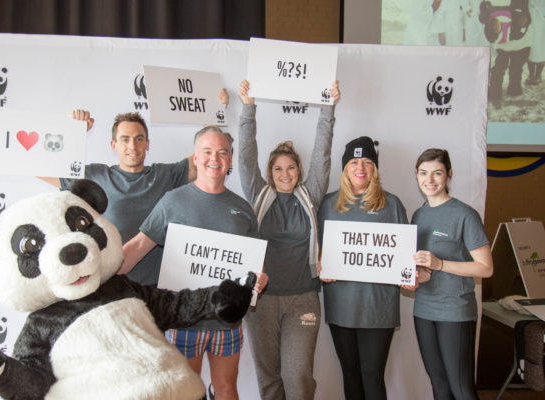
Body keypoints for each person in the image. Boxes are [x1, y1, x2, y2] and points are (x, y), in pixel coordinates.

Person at [119, 126, 268, 400]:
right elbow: (139, 245)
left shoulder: (243, 208)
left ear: (230, 160)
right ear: (195, 158)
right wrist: (104, 275)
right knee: (186, 393)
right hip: (184, 319)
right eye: (207, 152)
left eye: (222, 152)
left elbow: (254, 267)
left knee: (226, 389)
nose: (215, 158)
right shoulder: (173, 201)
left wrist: (259, 280)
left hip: (226, 322)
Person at [40, 91, 227, 286]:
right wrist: (74, 132)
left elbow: (206, 158)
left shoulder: (164, 175)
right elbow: (42, 168)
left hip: (159, 289)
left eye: (139, 139)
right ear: (113, 145)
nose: (133, 145)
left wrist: (216, 110)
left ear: (147, 144)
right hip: (112, 287)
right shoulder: (97, 176)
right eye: (125, 139)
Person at [237, 80, 339, 400]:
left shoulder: (310, 196)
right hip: (262, 302)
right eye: (278, 168)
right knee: (268, 380)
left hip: (303, 298)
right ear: (270, 171)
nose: (285, 173)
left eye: (291, 167)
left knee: (297, 377)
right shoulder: (258, 195)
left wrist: (328, 106)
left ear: (299, 170)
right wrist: (248, 107)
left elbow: (322, 152)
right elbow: (244, 155)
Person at [317, 136, 408, 400]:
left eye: (368, 161)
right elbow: (317, 250)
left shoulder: (392, 204)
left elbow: (403, 256)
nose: (361, 167)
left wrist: (408, 273)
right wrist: (321, 265)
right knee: (351, 375)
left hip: (377, 308)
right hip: (342, 306)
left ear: (375, 168)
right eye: (354, 162)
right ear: (345, 168)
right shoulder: (328, 204)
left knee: (372, 375)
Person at [410, 148, 493, 400]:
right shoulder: (418, 215)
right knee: (439, 385)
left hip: (455, 311)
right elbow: (425, 268)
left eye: (437, 173)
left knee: (462, 389)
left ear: (449, 175)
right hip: (424, 310)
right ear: (416, 175)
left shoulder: (464, 214)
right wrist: (420, 275)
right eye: (424, 173)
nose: (430, 180)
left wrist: (440, 265)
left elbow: (486, 268)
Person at [526, 0, 545, 85]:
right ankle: (531, 75)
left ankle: (538, 74)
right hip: (530, 18)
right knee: (530, 47)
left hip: (542, 19)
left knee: (542, 48)